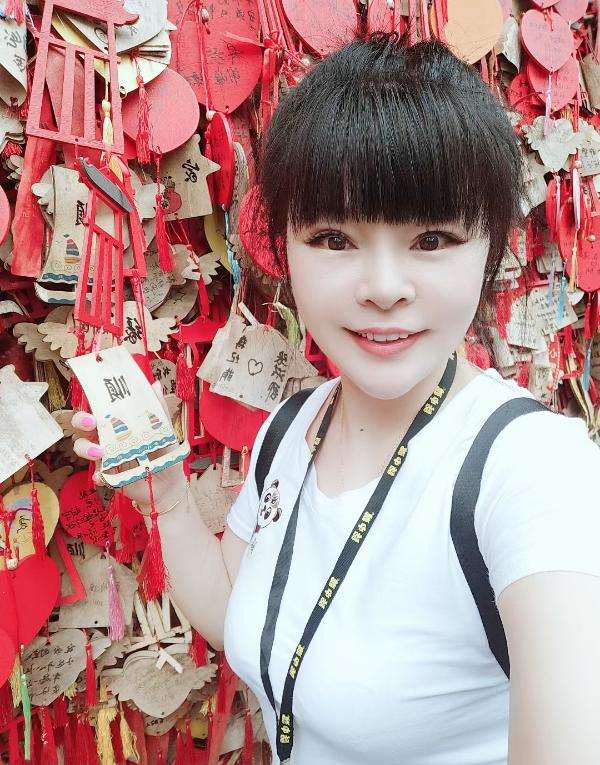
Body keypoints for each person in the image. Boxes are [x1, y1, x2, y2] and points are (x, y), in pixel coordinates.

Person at [72, 31, 600, 765]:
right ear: (282, 246)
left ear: (490, 247)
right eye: (333, 238)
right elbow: (240, 616)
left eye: (432, 239)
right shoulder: (293, 426)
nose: (383, 288)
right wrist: (165, 497)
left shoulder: (534, 471)